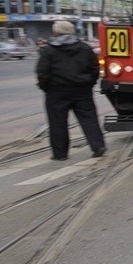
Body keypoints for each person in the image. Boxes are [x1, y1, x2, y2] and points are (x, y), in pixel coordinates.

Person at [36, 20, 106, 161]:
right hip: (82, 90)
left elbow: (42, 72)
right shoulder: (85, 48)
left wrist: (47, 88)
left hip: (57, 91)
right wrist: (89, 83)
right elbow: (94, 68)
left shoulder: (49, 50)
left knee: (57, 123)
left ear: (56, 33)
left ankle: (60, 154)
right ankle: (97, 145)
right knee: (89, 119)